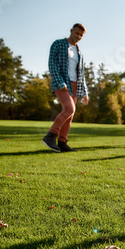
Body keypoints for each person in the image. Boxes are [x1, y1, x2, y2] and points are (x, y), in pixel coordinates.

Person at [42, 23, 89, 152]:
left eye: (81, 35)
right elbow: (52, 64)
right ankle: (50, 135)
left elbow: (82, 73)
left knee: (70, 114)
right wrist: (60, 82)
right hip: (62, 82)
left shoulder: (79, 51)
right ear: (71, 31)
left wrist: (85, 92)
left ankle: (62, 142)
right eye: (76, 33)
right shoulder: (58, 44)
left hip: (75, 85)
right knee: (69, 109)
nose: (78, 36)